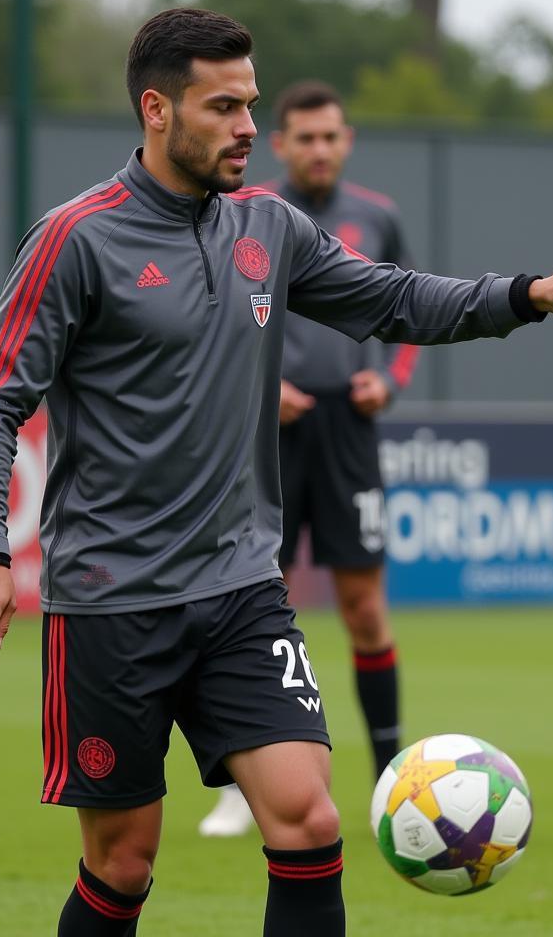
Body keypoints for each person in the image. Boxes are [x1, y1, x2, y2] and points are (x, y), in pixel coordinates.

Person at [0, 7, 553, 937]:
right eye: (224, 106)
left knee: (310, 820)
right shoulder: (76, 240)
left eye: (252, 104)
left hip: (241, 589)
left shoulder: (269, 228)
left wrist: (529, 295)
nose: (247, 127)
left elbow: (394, 298)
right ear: (156, 110)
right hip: (111, 602)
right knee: (122, 864)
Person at [199, 81, 418, 839]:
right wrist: (266, 385)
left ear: (346, 140)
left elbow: (406, 311)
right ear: (282, 143)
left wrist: (387, 382)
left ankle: (392, 783)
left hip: (349, 432)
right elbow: (217, 320)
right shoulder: (245, 214)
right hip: (268, 430)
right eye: (305, 137)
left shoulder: (377, 216)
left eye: (332, 136)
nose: (319, 149)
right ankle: (235, 784)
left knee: (363, 608)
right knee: (253, 602)